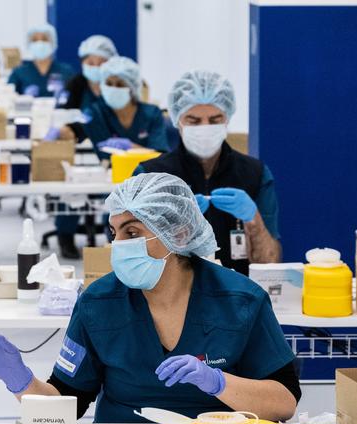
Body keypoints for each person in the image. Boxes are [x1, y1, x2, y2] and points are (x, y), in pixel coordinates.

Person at [0, 173, 300, 423]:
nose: (118, 244)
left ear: (178, 233)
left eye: (132, 232)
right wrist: (19, 380)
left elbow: (284, 403)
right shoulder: (98, 302)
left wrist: (219, 382)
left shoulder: (241, 299)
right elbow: (67, 404)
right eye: (115, 233)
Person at [135, 70, 282, 275]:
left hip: (239, 292)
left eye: (214, 120)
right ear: (178, 121)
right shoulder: (151, 176)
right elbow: (135, 259)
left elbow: (269, 263)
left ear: (227, 119)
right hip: (170, 294)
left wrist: (253, 219)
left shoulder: (254, 174)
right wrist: (173, 225)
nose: (205, 128)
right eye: (194, 121)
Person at [47, 56, 170, 259]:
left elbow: (161, 154)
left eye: (120, 84)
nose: (113, 88)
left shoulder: (152, 113)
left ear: (131, 87)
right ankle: (66, 237)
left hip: (144, 182)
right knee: (85, 202)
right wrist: (58, 130)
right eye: (109, 83)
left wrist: (131, 147)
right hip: (109, 178)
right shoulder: (97, 111)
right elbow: (76, 127)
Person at [8, 23, 75, 97]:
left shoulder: (66, 71)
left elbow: (76, 99)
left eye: (44, 39)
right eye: (35, 40)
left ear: (52, 43)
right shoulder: (19, 73)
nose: (40, 43)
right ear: (29, 44)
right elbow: (8, 98)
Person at [62, 35, 118, 111]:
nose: (96, 67)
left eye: (101, 63)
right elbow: (65, 114)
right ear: (82, 63)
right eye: (91, 63)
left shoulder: (117, 86)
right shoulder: (75, 84)